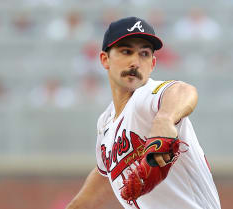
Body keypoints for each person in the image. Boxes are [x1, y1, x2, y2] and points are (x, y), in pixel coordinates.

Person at [66, 17, 221, 209]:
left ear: (153, 64)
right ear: (105, 59)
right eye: (126, 51)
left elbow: (183, 90)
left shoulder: (146, 96)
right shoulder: (105, 122)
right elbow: (104, 176)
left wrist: (165, 119)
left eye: (144, 54)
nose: (135, 62)